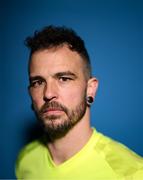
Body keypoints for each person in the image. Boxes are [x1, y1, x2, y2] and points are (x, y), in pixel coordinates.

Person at [16, 25, 143, 179]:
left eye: (64, 79)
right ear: (30, 92)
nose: (48, 93)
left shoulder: (132, 173)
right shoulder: (25, 159)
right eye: (38, 82)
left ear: (90, 89)